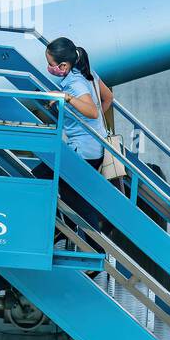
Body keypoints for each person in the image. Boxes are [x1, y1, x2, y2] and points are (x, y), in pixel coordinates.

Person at [36, 37, 114, 234]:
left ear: (63, 65)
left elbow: (93, 111)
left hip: (83, 151)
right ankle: (65, 231)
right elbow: (108, 98)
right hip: (94, 148)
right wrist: (91, 127)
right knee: (67, 193)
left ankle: (96, 246)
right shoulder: (87, 73)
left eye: (50, 64)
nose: (49, 67)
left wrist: (67, 98)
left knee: (52, 186)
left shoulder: (74, 83)